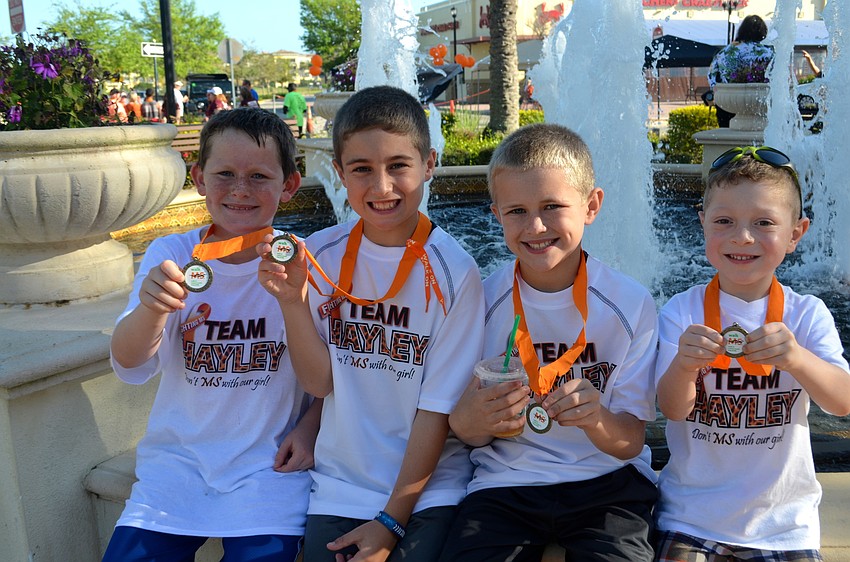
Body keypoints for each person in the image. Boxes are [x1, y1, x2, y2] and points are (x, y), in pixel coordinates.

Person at [257, 85, 486, 562]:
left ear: (429, 164)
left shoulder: (455, 272)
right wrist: (293, 303)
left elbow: (435, 410)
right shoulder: (319, 255)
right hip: (340, 484)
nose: (381, 188)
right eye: (361, 169)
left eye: (398, 165)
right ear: (339, 173)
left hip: (426, 490)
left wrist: (391, 520)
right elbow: (320, 383)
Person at [103, 107, 319, 562]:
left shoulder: (303, 261)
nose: (240, 189)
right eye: (225, 174)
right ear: (199, 178)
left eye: (259, 176)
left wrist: (311, 426)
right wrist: (151, 308)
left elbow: (328, 374)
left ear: (289, 185)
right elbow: (129, 363)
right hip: (176, 469)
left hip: (269, 474)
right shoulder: (172, 253)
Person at [438, 123, 659, 562]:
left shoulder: (630, 304)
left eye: (552, 206)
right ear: (496, 214)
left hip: (608, 483)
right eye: (517, 211)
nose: (535, 226)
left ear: (591, 206)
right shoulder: (479, 301)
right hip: (506, 483)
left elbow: (630, 442)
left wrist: (597, 419)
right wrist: (476, 419)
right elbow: (462, 430)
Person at [654, 146, 850, 561]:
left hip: (783, 523)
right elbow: (671, 408)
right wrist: (684, 366)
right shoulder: (681, 311)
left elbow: (842, 402)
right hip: (691, 516)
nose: (742, 237)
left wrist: (797, 359)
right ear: (703, 223)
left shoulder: (806, 314)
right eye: (724, 221)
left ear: (795, 233)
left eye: (763, 223)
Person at [708, 15, 774, 128]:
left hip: (728, 102)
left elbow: (711, 76)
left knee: (727, 134)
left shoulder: (724, 52)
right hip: (758, 102)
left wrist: (716, 91)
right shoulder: (768, 52)